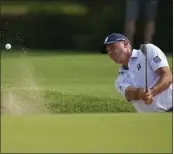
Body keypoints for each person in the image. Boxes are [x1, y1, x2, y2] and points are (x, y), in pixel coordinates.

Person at [101, 33, 173, 112]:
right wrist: (140, 93)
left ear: (125, 44)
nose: (110, 53)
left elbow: (168, 76)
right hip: (150, 121)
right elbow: (129, 93)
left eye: (113, 47)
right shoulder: (119, 80)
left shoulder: (147, 50)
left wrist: (152, 92)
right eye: (108, 51)